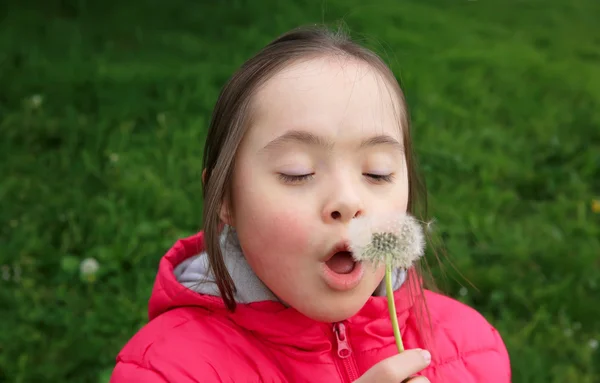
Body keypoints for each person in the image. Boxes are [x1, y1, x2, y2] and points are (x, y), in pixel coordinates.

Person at [110, 25, 511, 382]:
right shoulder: (167, 370)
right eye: (298, 171)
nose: (348, 201)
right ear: (226, 198)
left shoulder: (473, 349)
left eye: (377, 172)